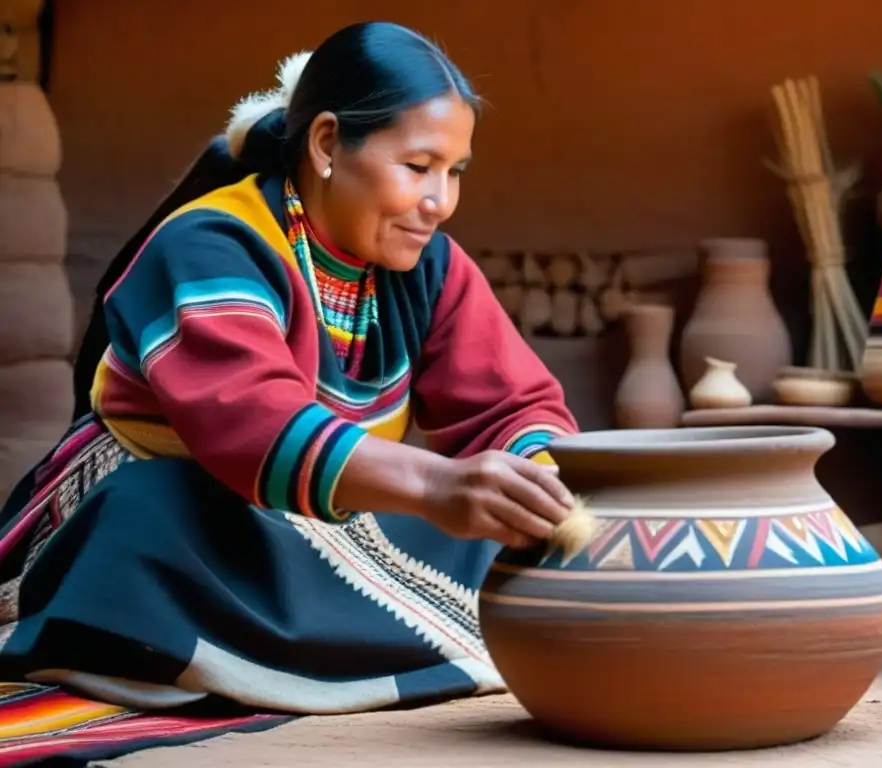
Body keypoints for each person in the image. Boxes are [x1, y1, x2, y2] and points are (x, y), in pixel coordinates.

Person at [0, 21, 579, 714]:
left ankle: (310, 649)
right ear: (328, 143)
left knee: (491, 529)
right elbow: (257, 426)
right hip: (193, 509)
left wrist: (540, 492)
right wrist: (437, 485)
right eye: (418, 167)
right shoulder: (210, 242)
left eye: (454, 173)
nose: (440, 202)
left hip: (322, 519)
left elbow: (513, 408)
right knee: (151, 519)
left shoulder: (432, 269)